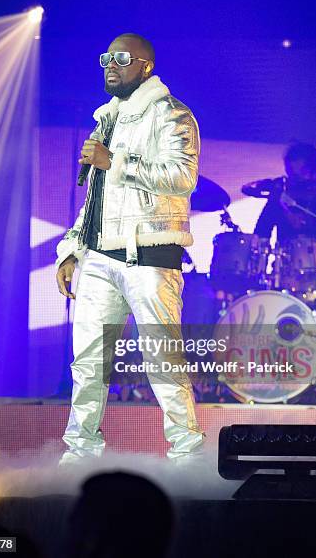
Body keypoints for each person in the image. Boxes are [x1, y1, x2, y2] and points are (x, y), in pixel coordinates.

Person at [55, 33, 205, 464]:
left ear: (146, 66)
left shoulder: (171, 114)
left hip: (150, 259)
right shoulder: (107, 120)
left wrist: (115, 161)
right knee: (87, 364)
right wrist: (71, 249)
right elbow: (97, 199)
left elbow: (183, 177)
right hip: (100, 258)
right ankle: (79, 455)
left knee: (163, 361)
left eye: (121, 58)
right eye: (105, 58)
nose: (110, 64)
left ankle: (186, 457)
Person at [254, 142, 316, 262]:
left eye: (303, 173)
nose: (296, 179)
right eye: (292, 174)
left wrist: (309, 223)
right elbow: (260, 234)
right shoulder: (279, 199)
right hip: (284, 272)